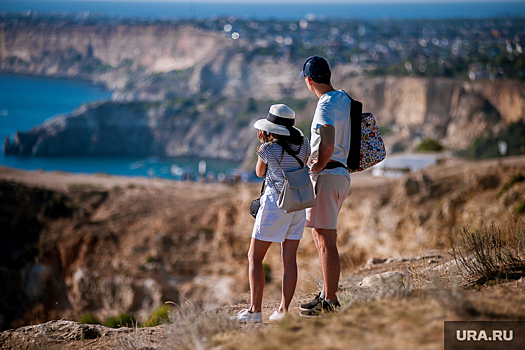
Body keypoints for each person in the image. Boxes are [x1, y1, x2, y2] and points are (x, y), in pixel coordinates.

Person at [231, 104, 311, 323]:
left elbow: (259, 172)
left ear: (270, 129)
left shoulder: (268, 149)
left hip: (275, 204)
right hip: (297, 203)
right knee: (289, 258)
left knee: (254, 257)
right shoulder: (304, 144)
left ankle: (255, 311)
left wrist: (264, 143)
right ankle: (283, 312)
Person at [298, 56, 352, 317]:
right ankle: (325, 295)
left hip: (328, 175)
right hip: (341, 174)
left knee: (326, 239)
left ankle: (330, 301)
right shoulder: (343, 98)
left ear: (309, 81)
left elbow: (327, 142)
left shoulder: (324, 106)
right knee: (321, 236)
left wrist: (316, 166)